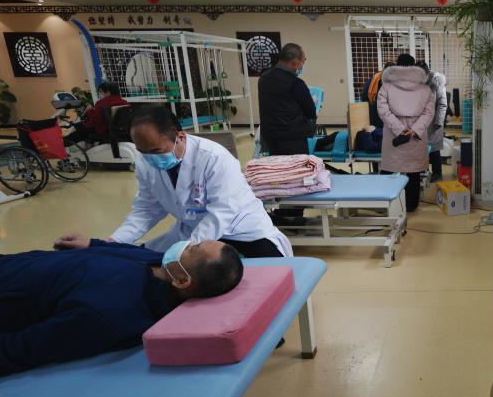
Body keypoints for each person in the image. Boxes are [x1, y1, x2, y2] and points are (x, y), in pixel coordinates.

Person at [0, 238, 243, 383]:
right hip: (4, 265)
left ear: (183, 282)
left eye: (193, 248)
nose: (187, 243)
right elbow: (130, 252)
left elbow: (20, 349)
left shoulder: (110, 315)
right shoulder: (162, 265)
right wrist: (93, 244)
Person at [55, 104, 291, 258]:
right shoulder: (146, 162)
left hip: (242, 232)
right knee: (135, 259)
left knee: (265, 277)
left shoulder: (213, 158)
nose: (149, 157)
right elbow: (146, 210)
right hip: (190, 233)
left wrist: (185, 251)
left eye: (156, 150)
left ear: (180, 137)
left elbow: (221, 214)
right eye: (142, 151)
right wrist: (111, 243)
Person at [377, 56, 434, 212]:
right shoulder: (425, 88)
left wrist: (399, 129)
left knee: (389, 169)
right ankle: (411, 204)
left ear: (397, 66)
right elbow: (429, 112)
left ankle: (386, 203)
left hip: (393, 133)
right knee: (413, 170)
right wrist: (415, 129)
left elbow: (383, 111)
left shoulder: (386, 86)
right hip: (415, 135)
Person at [258, 43, 316, 156]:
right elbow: (311, 112)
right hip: (293, 139)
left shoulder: (263, 78)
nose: (302, 66)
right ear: (295, 62)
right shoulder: (296, 84)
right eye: (303, 61)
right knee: (297, 166)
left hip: (271, 138)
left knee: (278, 166)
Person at [63, 82, 130, 146]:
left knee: (79, 129)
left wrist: (90, 111)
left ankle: (63, 144)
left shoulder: (101, 103)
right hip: (122, 131)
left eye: (101, 92)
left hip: (104, 130)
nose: (99, 94)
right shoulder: (125, 102)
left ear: (108, 92)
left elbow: (95, 121)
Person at [418, 61, 448, 182]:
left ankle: (437, 174)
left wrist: (439, 122)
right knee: (420, 149)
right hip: (420, 120)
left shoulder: (438, 81)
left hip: (434, 121)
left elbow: (442, 103)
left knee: (434, 149)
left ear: (427, 73)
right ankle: (423, 172)